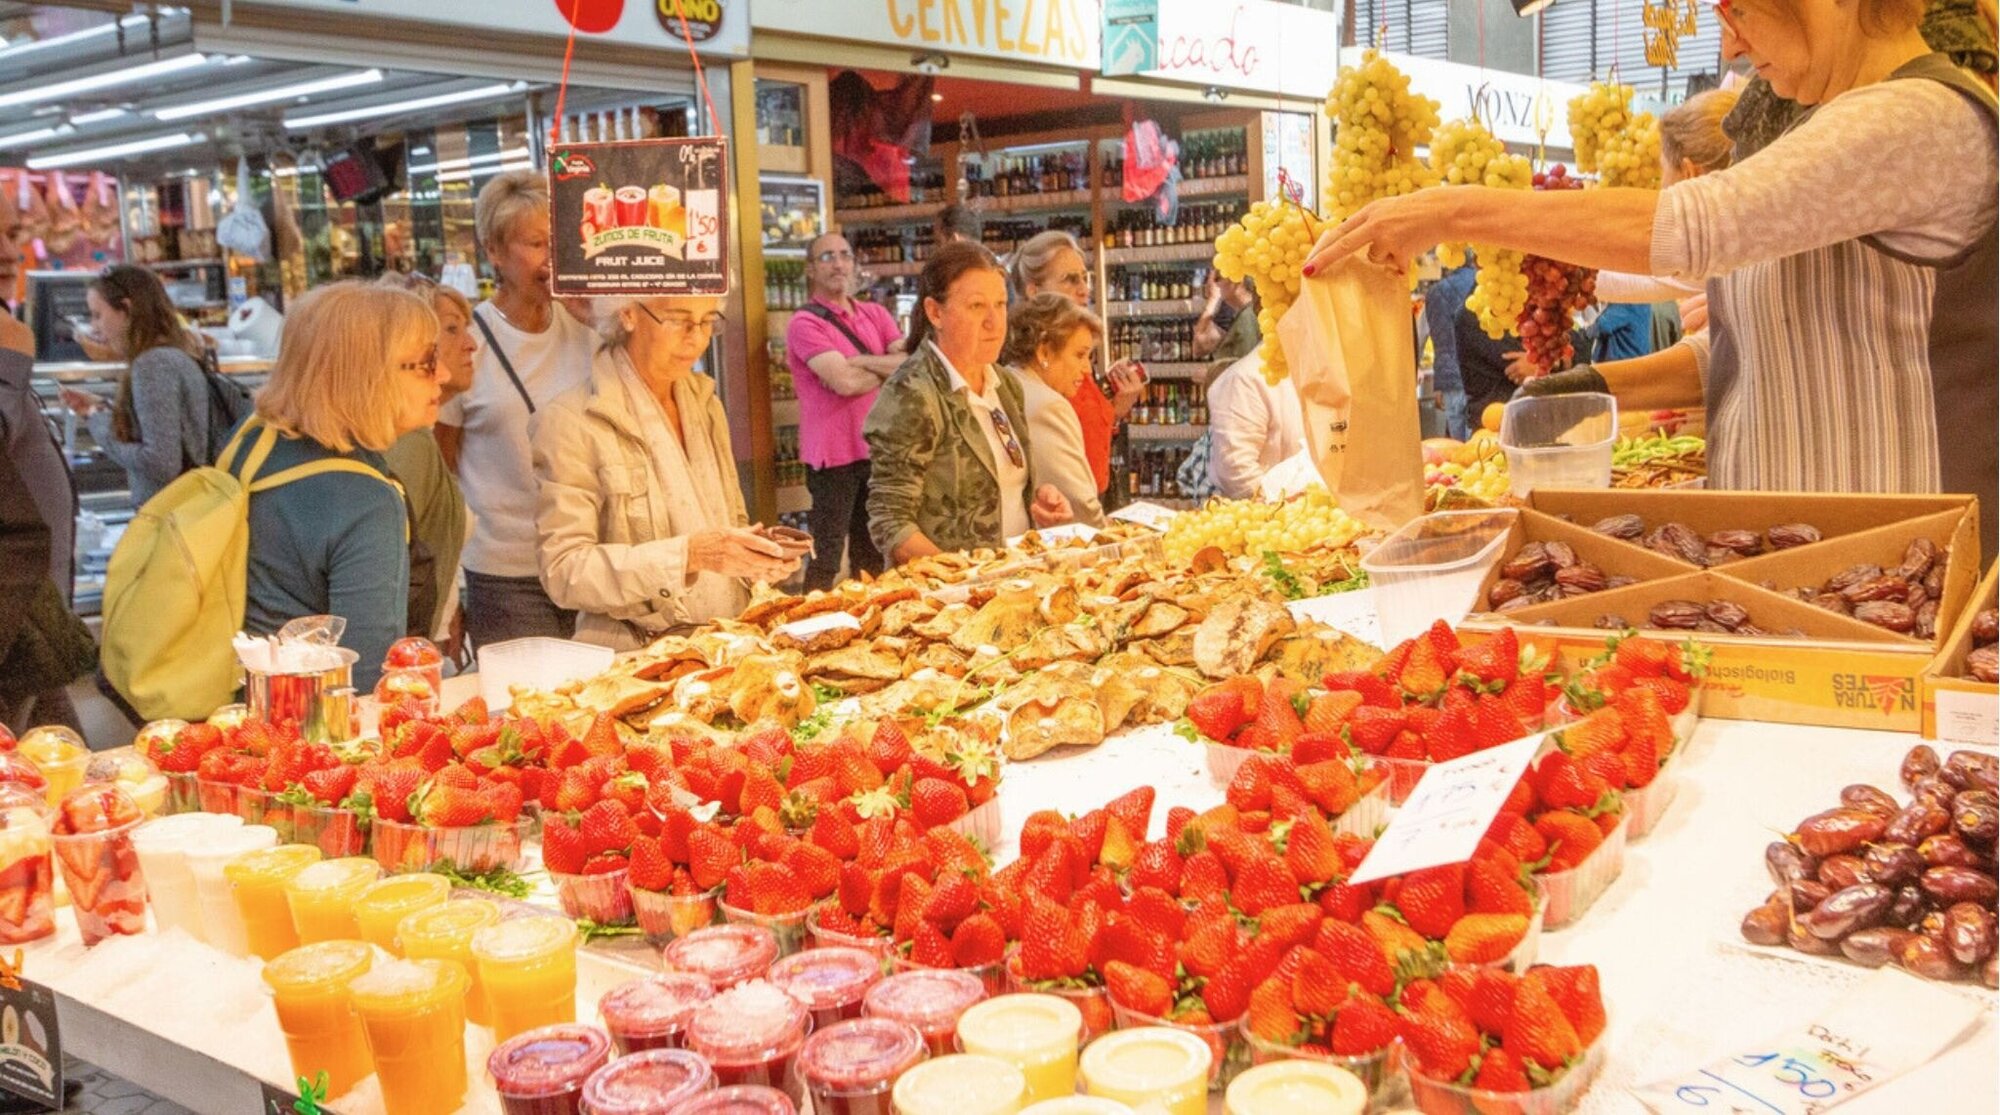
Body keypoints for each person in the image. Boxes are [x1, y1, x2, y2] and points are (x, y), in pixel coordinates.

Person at [1306, 3, 1998, 551]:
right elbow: (1749, 350)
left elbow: (1701, 226)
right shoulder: (1826, 128)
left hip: (1910, 576)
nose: (1729, 47)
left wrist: (1450, 209)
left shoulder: (1922, 117)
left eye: (1738, 12)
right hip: (1806, 568)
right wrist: (1583, 389)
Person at [533, 296, 800, 649]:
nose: (696, 338)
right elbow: (564, 571)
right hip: (639, 655)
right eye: (678, 320)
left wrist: (754, 557)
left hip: (729, 643)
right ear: (627, 313)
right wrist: (689, 555)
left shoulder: (706, 403)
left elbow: (729, 520)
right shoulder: (570, 419)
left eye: (708, 321)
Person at [236, 282, 445, 693]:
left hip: (242, 703)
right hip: (310, 726)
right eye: (427, 362)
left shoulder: (251, 441)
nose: (446, 374)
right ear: (369, 373)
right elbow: (369, 677)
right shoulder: (365, 501)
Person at [436, 171, 596, 649]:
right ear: (495, 252)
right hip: (506, 576)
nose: (552, 259)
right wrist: (449, 598)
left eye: (560, 243)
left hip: (590, 560)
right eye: (535, 244)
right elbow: (441, 477)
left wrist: (596, 315)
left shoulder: (587, 324)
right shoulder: (469, 343)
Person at [866, 241, 1073, 562]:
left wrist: (1038, 507)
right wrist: (962, 576)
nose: (994, 322)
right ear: (935, 312)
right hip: (947, 598)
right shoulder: (912, 393)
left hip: (1014, 581)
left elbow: (1002, 489)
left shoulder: (1004, 384)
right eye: (977, 306)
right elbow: (890, 522)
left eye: (1001, 304)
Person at [786, 231, 903, 590]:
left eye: (844, 255)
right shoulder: (805, 324)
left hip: (876, 451)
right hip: (832, 457)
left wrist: (861, 361)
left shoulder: (875, 313)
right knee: (826, 558)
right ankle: (808, 629)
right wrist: (884, 368)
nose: (838, 263)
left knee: (871, 557)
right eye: (827, 257)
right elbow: (845, 383)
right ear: (810, 269)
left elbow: (909, 363)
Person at [378, 273, 479, 650]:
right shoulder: (410, 441)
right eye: (452, 330)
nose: (470, 344)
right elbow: (396, 566)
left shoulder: (419, 434)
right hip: (409, 652)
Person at [1009, 230, 1145, 501]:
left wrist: (1114, 408)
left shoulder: (1069, 345)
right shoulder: (1034, 372)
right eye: (1070, 280)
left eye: (1085, 278)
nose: (1084, 289)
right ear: (1033, 291)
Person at [56, 266, 208, 507]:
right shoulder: (176, 354)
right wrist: (104, 408)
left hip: (169, 519)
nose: (95, 327)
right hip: (192, 512)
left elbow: (160, 463)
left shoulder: (152, 365)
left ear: (126, 309)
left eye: (98, 315)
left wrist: (97, 419)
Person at [1001, 293, 1105, 526]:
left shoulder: (1006, 381)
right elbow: (1080, 504)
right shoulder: (1048, 405)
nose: (1087, 369)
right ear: (1044, 352)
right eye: (1079, 355)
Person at [1204, 351, 1304, 500]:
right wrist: (1284, 505)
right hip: (1271, 515)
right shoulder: (1245, 378)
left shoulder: (1319, 369)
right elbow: (1237, 469)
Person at [1423, 263, 1474, 440]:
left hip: (1450, 378)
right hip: (1480, 375)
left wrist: (1438, 384)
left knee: (1458, 445)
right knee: (1481, 440)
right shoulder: (1482, 286)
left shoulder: (1435, 292)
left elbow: (1430, 336)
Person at [1194, 273, 1259, 363]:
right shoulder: (1242, 312)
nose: (1212, 285)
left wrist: (1213, 299)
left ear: (1236, 280)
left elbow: (1246, 363)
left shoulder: (1247, 316)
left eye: (1217, 279)